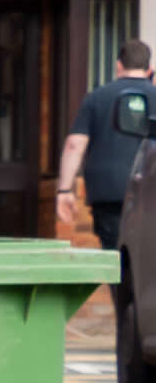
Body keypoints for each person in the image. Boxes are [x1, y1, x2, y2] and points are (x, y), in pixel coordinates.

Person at [61, 37, 153, 252]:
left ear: (118, 65)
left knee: (115, 253)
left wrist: (65, 190)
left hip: (109, 191)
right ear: (149, 68)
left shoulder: (96, 98)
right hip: (150, 190)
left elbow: (75, 144)